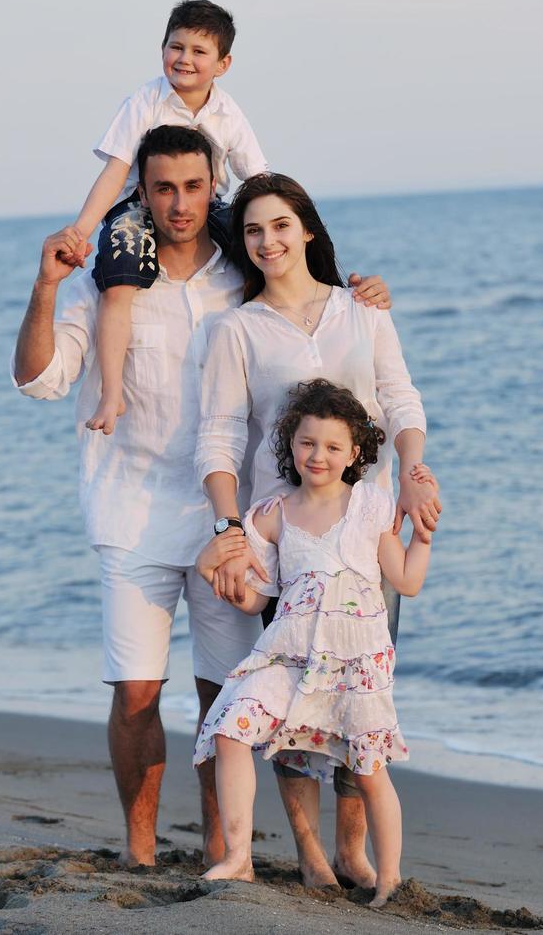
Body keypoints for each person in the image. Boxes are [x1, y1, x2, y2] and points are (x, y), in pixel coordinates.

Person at [13, 126, 389, 868]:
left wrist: (361, 295)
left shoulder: (241, 277)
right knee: (135, 694)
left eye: (192, 187)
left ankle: (224, 848)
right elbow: (40, 379)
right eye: (162, 188)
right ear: (143, 193)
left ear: (211, 183)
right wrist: (46, 285)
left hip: (235, 526)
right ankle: (141, 851)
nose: (179, 203)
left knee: (229, 697)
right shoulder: (107, 286)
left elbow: (309, 314)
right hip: (133, 513)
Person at [195, 172, 442, 889]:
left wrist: (416, 471)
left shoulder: (361, 310)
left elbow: (400, 399)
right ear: (243, 246)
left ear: (307, 228)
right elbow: (216, 439)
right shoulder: (236, 330)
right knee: (295, 690)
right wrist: (232, 530)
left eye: (279, 225)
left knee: (359, 686)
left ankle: (351, 849)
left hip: (366, 526)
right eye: (252, 231)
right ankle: (308, 850)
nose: (267, 241)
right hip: (286, 535)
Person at [194, 379, 437, 907]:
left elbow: (407, 581)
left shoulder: (372, 505)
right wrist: (212, 570)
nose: (318, 456)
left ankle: (390, 875)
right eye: (307, 443)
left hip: (356, 665)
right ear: (290, 444)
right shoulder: (271, 514)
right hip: (290, 657)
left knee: (370, 770)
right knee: (232, 727)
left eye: (332, 447)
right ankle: (238, 856)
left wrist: (422, 538)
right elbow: (257, 601)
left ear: (355, 453)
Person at [65, 0, 267, 436]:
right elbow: (116, 168)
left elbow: (258, 177)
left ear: (223, 63)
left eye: (199, 52)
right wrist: (81, 231)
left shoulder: (228, 113)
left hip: (207, 207)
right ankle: (113, 391)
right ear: (162, 49)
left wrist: (287, 231)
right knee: (118, 281)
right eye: (176, 47)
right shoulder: (144, 102)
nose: (185, 59)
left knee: (257, 254)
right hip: (138, 206)